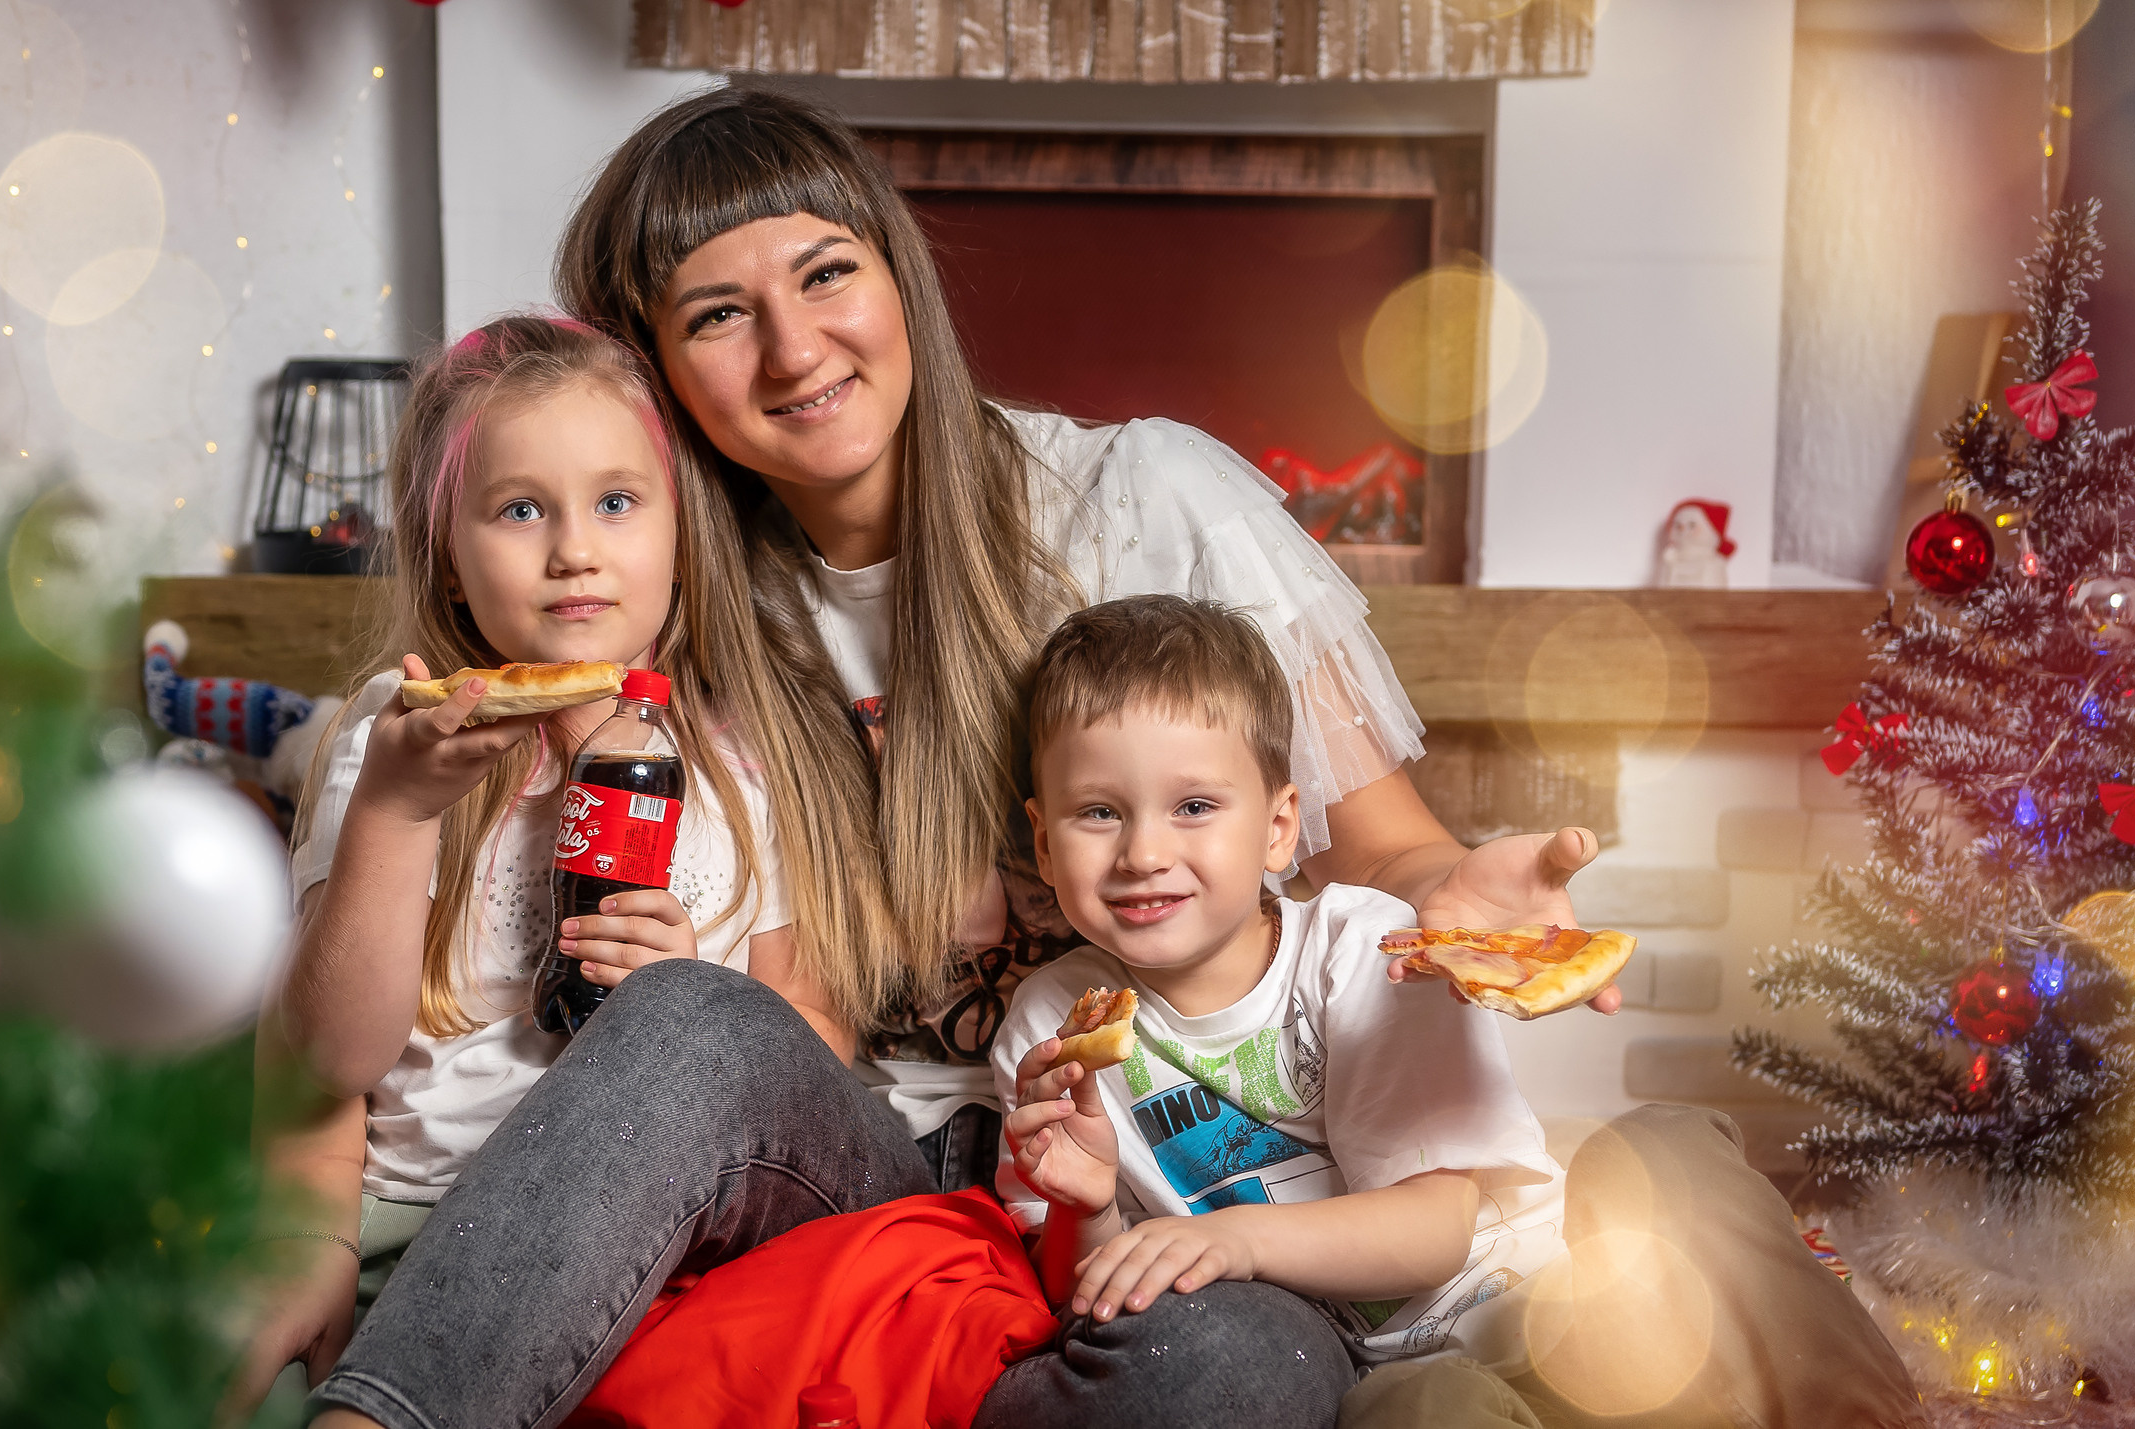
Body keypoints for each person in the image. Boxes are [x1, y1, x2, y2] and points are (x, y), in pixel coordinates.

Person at [300, 88, 1789, 1429]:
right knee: (688, 1018)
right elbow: (419, 836)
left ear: (896, 273)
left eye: (827, 273)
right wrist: (301, 1192)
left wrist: (1449, 891)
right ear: (651, 381)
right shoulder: (659, 583)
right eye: (715, 314)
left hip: (1153, 1177)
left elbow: (1368, 849)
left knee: (1241, 1363)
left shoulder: (1143, 502)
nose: (797, 345)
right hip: (872, 1163)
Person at [227, 316, 847, 1415]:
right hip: (414, 1228)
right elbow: (326, 1055)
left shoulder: (749, 759)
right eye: (520, 509)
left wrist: (698, 999)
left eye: (617, 501)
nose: (575, 548)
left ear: (678, 534)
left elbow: (814, 1046)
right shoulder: (399, 738)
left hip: (662, 1249)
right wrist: (394, 814)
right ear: (450, 563)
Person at [986, 596, 1562, 1425]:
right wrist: (1087, 1207)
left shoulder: (1363, 948)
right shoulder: (1051, 1026)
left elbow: (1436, 1229)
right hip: (1364, 1370)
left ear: (1279, 827)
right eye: (1100, 811)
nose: (1144, 853)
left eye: (1193, 806)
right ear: (1044, 843)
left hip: (1529, 1304)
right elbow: (1100, 1290)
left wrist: (1237, 1238)